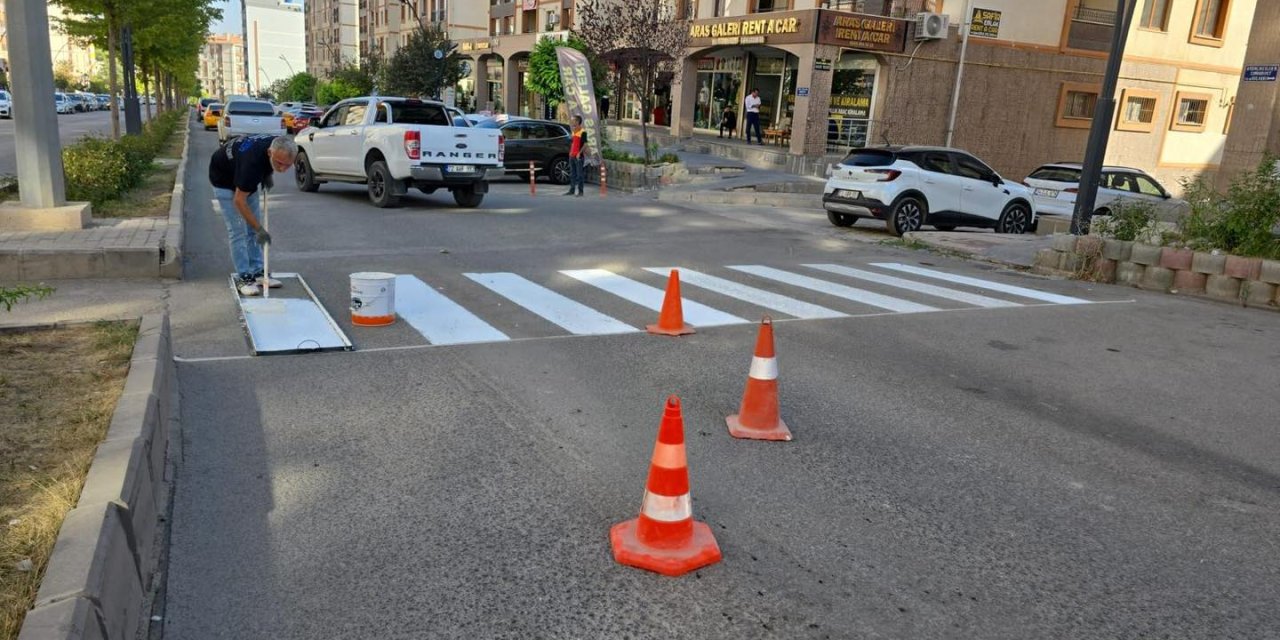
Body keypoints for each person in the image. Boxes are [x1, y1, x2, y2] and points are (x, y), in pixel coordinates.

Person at [208, 134, 298, 296]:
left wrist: (268, 174)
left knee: (252, 228)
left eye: (288, 165)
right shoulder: (251, 165)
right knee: (237, 231)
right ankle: (244, 276)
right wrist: (260, 229)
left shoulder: (279, 143)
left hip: (243, 172)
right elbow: (239, 201)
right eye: (279, 164)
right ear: (270, 153)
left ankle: (258, 272)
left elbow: (270, 163)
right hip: (223, 179)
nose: (283, 169)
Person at [565, 115, 589, 197]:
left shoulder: (583, 132)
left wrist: (579, 153)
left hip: (578, 156)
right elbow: (573, 143)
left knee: (579, 175)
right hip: (571, 155)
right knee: (572, 174)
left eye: (573, 120)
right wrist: (570, 152)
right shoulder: (574, 130)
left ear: (578, 121)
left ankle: (580, 192)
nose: (572, 122)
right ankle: (571, 190)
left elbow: (585, 144)